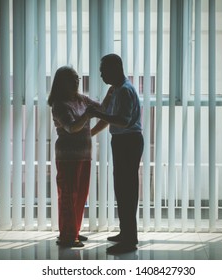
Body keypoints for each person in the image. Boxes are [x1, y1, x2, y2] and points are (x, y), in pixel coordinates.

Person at [88, 54, 143, 254]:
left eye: (104, 70)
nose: (101, 74)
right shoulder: (116, 90)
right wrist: (90, 133)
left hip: (128, 140)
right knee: (122, 189)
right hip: (122, 141)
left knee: (126, 190)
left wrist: (96, 114)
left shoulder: (124, 91)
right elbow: (109, 117)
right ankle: (125, 233)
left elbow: (122, 120)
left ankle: (129, 240)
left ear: (115, 69)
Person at [48, 66, 101, 248]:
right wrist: (87, 115)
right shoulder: (60, 104)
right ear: (62, 82)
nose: (77, 80)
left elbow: (101, 109)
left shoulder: (81, 99)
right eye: (72, 78)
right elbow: (71, 128)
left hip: (84, 154)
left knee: (80, 196)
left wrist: (110, 98)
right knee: (68, 196)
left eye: (77, 77)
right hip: (67, 156)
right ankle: (67, 236)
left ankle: (74, 231)